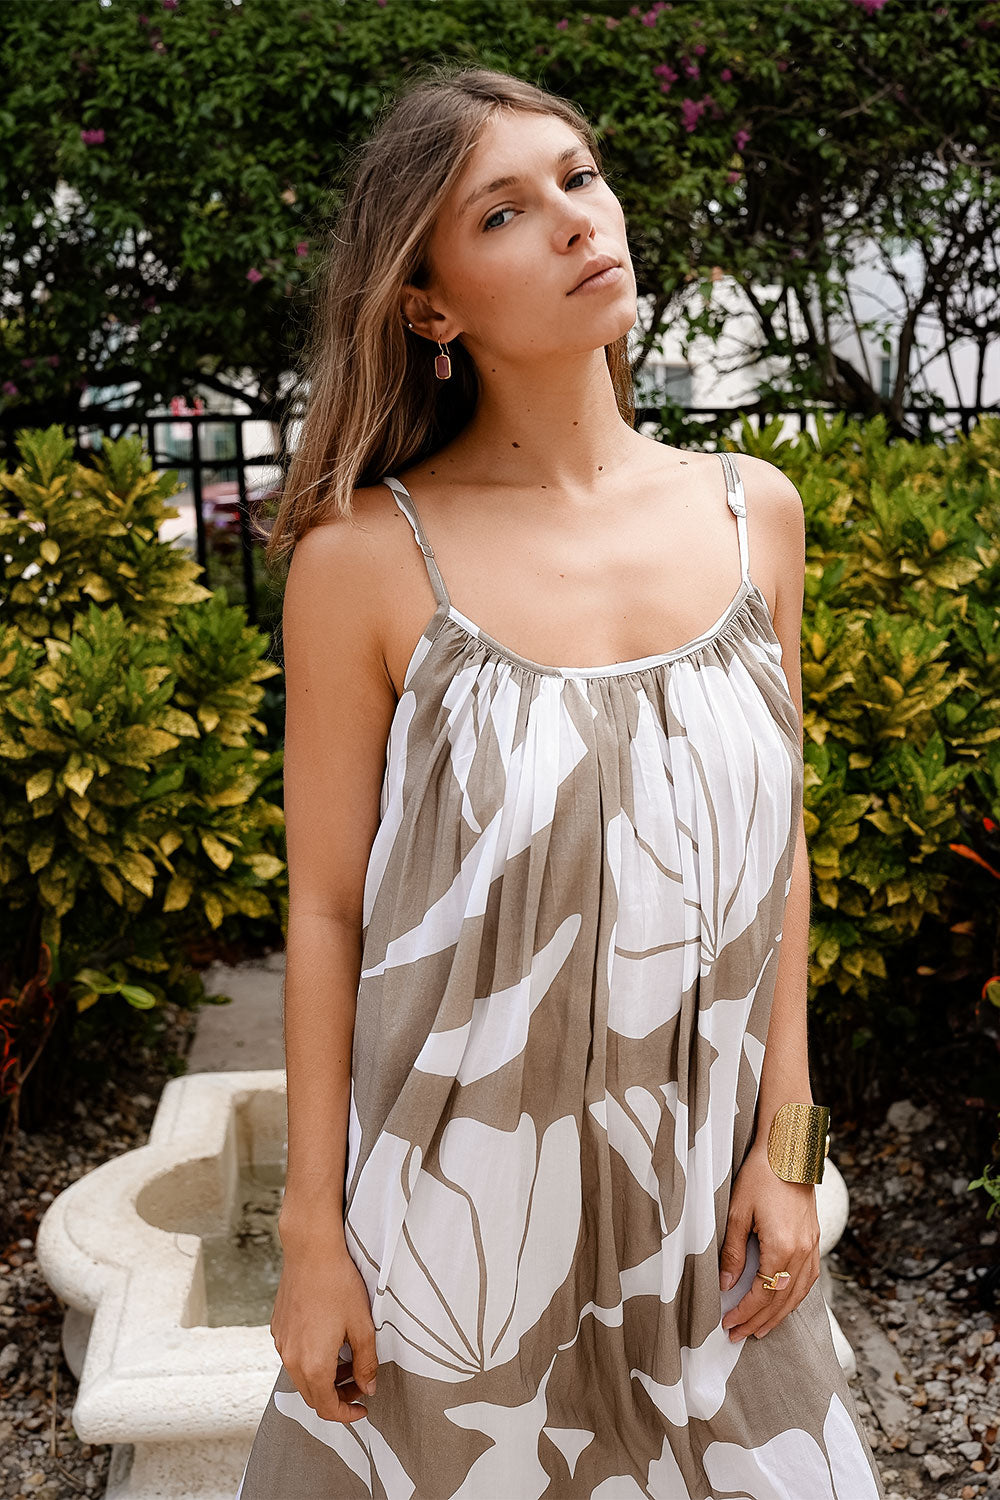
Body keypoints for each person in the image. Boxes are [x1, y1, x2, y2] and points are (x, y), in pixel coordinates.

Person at [235, 63, 886, 1500]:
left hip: (703, 1217)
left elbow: (778, 863)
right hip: (452, 1233)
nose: (580, 221)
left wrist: (791, 1153)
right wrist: (312, 1237)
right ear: (428, 307)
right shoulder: (362, 560)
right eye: (505, 212)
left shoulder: (754, 518)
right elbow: (327, 914)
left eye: (579, 178)